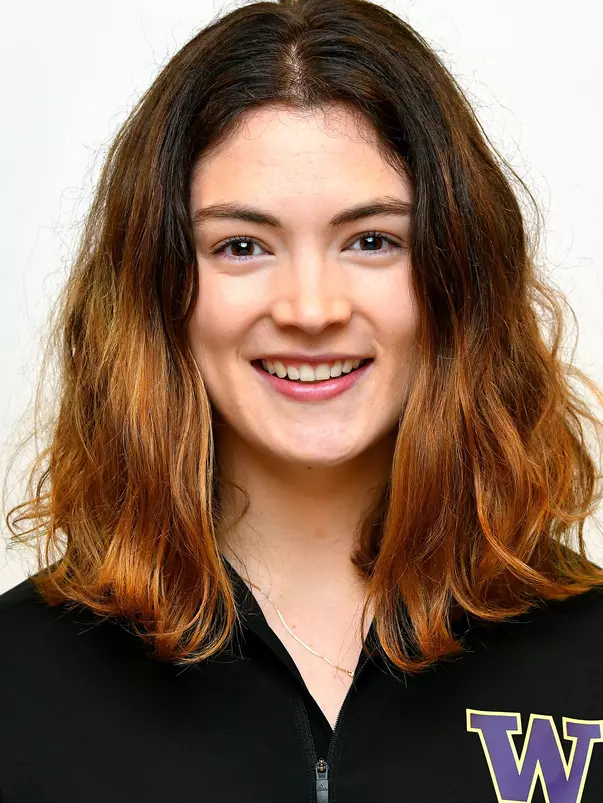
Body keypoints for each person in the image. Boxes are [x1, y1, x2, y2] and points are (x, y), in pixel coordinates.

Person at [1, 0, 603, 800]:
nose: (311, 309)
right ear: (158, 289)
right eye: (241, 246)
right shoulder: (16, 683)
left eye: (372, 240)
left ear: (457, 277)